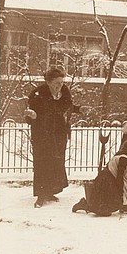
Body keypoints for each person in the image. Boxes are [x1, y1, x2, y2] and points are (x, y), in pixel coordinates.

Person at [24, 67, 77, 208]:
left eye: (61, 82)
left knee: (56, 162)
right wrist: (32, 116)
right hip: (42, 133)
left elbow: (66, 105)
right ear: (48, 81)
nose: (60, 85)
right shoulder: (38, 93)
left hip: (59, 133)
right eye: (57, 83)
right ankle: (41, 195)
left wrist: (77, 109)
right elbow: (31, 114)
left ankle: (50, 191)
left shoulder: (64, 91)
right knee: (42, 163)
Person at [72, 139, 127, 216]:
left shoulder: (122, 157)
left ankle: (124, 206)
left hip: (108, 180)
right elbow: (120, 177)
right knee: (104, 210)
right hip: (107, 182)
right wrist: (120, 191)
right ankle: (84, 204)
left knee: (110, 205)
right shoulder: (123, 159)